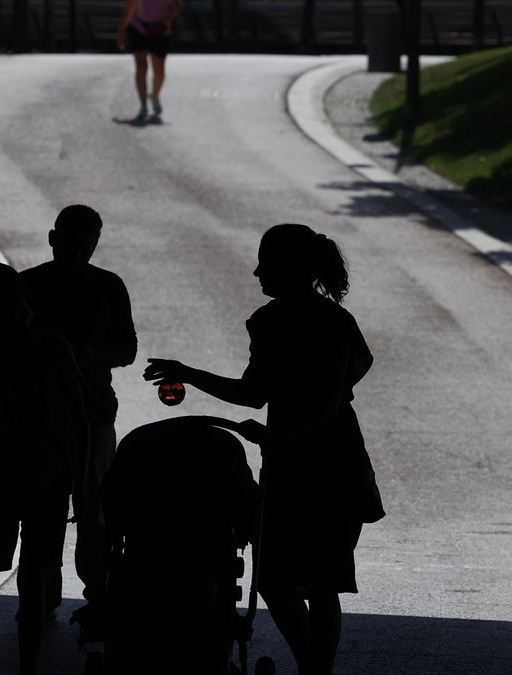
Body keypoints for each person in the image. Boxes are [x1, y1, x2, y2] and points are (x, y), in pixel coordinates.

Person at [143, 224, 382, 675]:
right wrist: (189, 374)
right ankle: (316, 670)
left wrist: (280, 435)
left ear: (290, 268)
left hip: (309, 465)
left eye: (265, 263)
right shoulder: (332, 321)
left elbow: (263, 395)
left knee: (288, 579)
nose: (256, 272)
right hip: (327, 460)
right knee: (312, 582)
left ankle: (314, 670)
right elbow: (353, 373)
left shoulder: (275, 322)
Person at [0, 262, 89, 675]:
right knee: (32, 582)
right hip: (49, 477)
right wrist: (80, 483)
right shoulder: (55, 347)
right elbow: (78, 417)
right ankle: (28, 668)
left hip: (1, 478)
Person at [20, 204, 137, 632]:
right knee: (94, 511)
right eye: (75, 242)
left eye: (83, 243)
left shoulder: (27, 285)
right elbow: (126, 350)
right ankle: (91, 595)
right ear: (55, 239)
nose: (77, 251)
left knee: (51, 508)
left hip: (47, 417)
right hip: (85, 412)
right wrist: (92, 357)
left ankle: (48, 593)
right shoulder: (107, 286)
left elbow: (127, 350)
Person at [116, 0, 183, 122]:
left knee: (160, 73)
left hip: (160, 30)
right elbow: (129, 9)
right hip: (139, 28)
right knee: (141, 67)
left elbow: (178, 7)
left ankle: (154, 95)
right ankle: (143, 106)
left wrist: (171, 13)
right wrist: (121, 33)